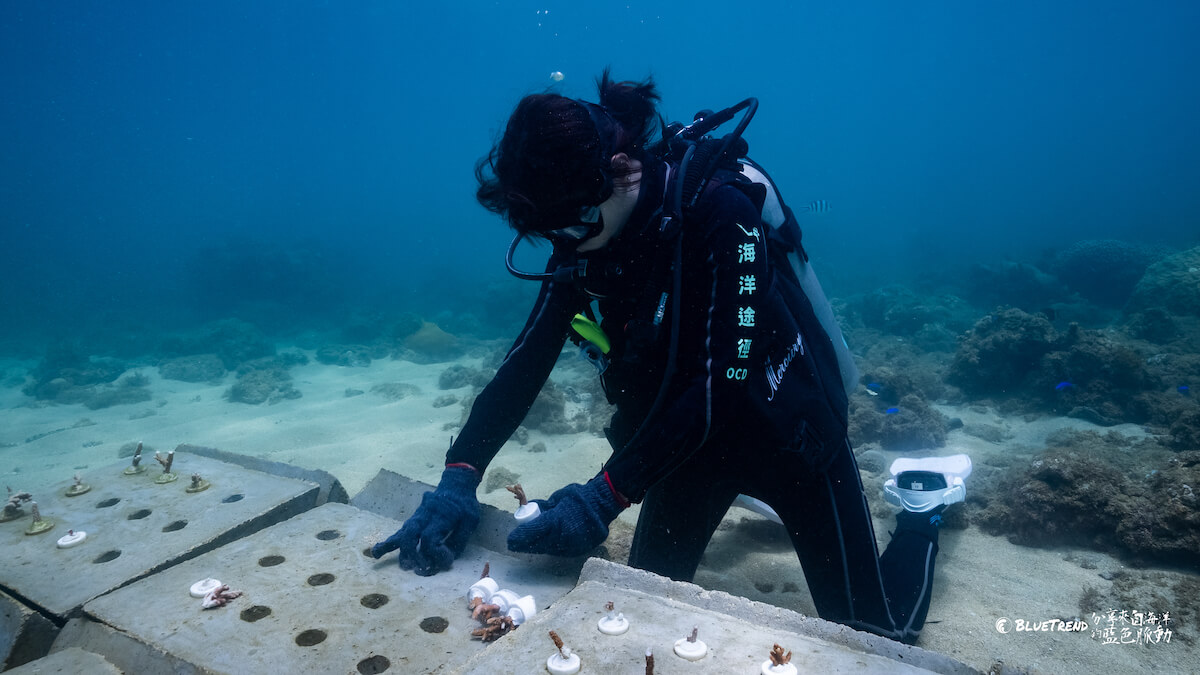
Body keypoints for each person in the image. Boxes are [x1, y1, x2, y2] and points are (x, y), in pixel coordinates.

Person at [371, 71, 969, 645]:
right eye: (551, 233)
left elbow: (721, 385)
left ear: (621, 172)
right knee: (636, 609)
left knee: (879, 636)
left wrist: (604, 495)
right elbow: (527, 360)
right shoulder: (581, 231)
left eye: (573, 225)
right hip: (681, 452)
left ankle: (922, 510)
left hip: (791, 440)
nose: (566, 246)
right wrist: (459, 476)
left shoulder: (720, 215)